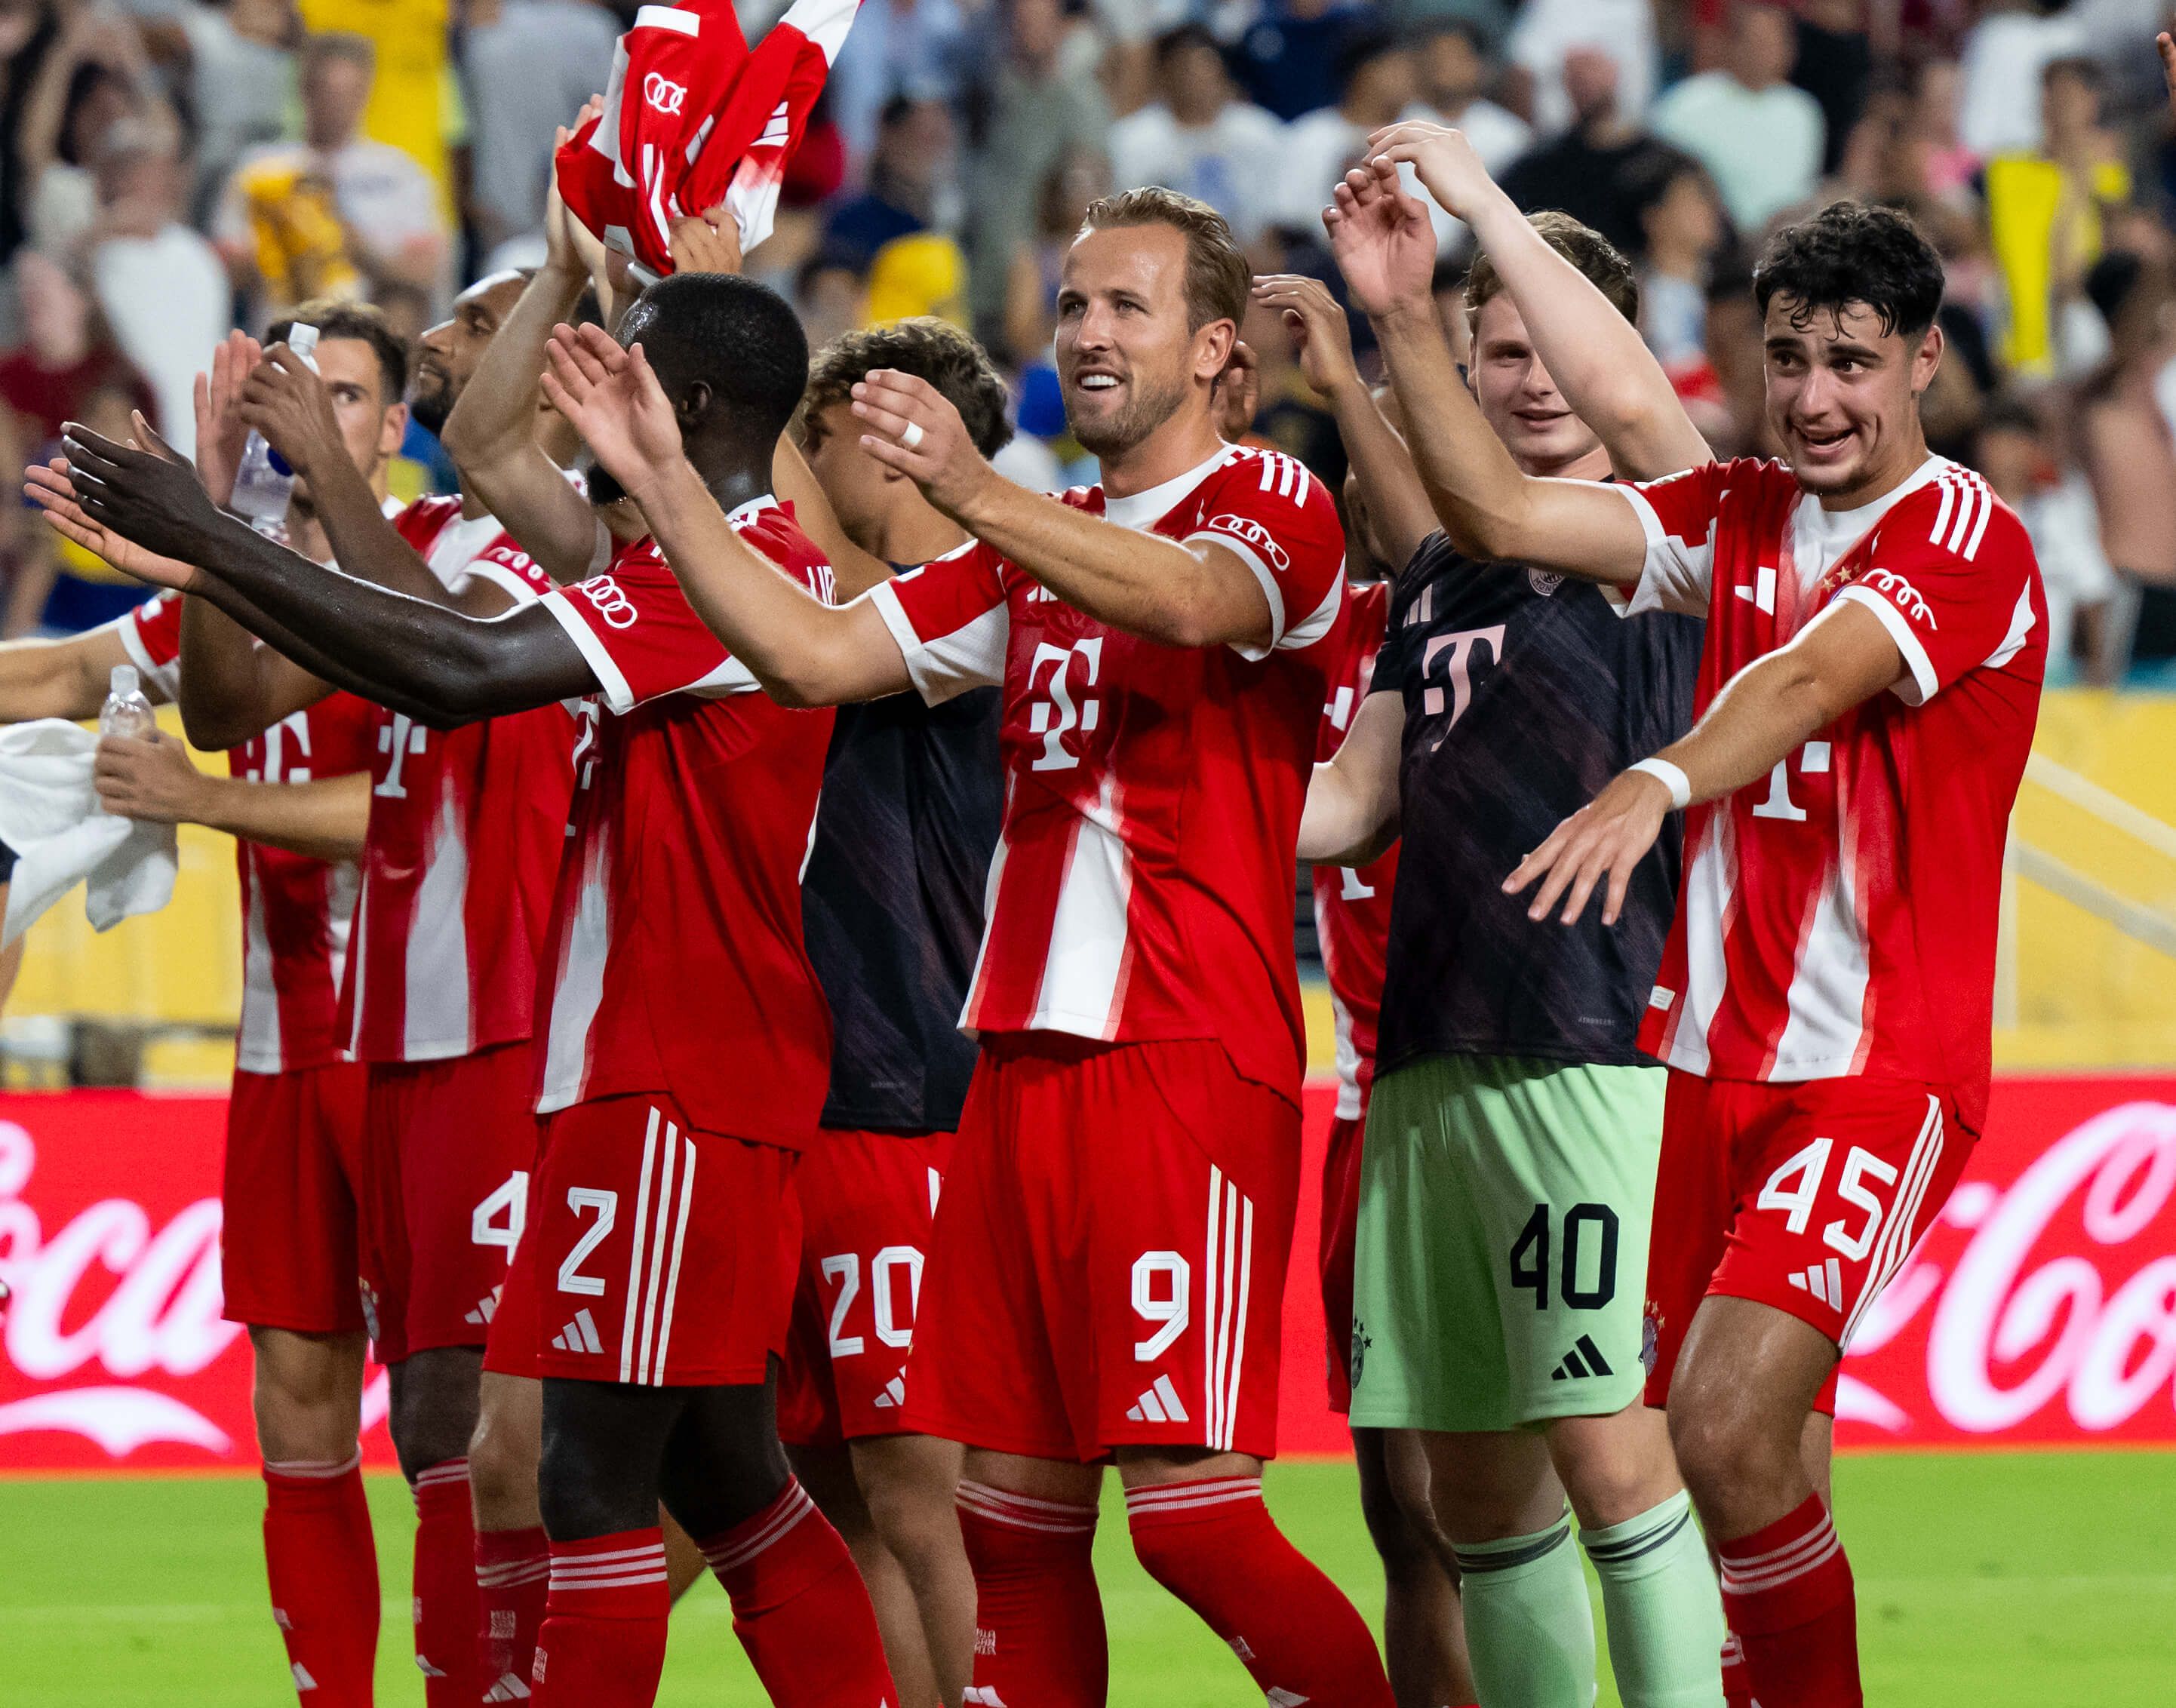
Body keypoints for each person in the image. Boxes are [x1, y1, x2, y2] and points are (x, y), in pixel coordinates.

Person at [538, 184, 1397, 1708]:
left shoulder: (1265, 502)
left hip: (1180, 1056)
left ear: (1213, 351)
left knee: (1193, 1526)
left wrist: (981, 491)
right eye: (1071, 304)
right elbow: (804, 656)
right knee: (1010, 1530)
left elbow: (1199, 608)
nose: (1087, 332)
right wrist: (668, 482)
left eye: (1125, 307)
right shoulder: (1026, 563)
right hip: (1010, 1076)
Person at [38, 267, 898, 1708]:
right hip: (637, 1078)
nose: (582, 388)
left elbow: (455, 666)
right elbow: (383, 648)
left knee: (582, 1474)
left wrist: (209, 536)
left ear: (682, 405)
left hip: (673, 1084)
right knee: (730, 1483)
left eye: (614, 368)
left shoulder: (719, 573)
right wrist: (216, 562)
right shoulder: (689, 566)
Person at [1335, 151, 2045, 1706]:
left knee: (1713, 1434)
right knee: (1748, 1472)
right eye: (1784, 358)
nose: (1812, 396)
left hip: (1869, 1069)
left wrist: (1652, 780)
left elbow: (1803, 680)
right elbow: (1500, 507)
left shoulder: (1963, 535)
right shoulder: (1726, 512)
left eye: (1850, 360)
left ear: (1922, 359)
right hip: (1696, 1083)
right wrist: (1415, 281)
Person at [1310, 125, 1726, 1708]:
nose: (1528, 377)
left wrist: (1416, 292)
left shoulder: (1673, 542)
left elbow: (1620, 426)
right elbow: (1351, 803)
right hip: (1426, 1052)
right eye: (1495, 348)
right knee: (1470, 1497)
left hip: (1590, 1041)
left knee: (1608, 1450)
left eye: (1543, 341)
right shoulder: (1433, 581)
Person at [772, 318, 1011, 1708]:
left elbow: (803, 561)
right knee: (849, 1490)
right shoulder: (864, 610)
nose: (798, 473)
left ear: (893, 449)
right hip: (832, 1095)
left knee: (930, 1494)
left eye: (819, 445)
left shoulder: (972, 595)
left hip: (915, 1091)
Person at [1252, 268, 1477, 1708]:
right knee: (1399, 1507)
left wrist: (1352, 374)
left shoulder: (1487, 605)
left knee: (1536, 1486)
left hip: (1515, 1072)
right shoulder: (1301, 637)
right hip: (1366, 1095)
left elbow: (1440, 544)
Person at [214, 31, 447, 318]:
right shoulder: (261, 169)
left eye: (351, 92)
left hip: (369, 327)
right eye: (329, 91)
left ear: (367, 92)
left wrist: (352, 245)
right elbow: (225, 269)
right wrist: (287, 239)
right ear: (305, 88)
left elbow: (424, 274)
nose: (339, 105)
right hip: (282, 325)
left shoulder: (398, 173)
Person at [1651, 2, 1825, 235]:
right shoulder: (1684, 106)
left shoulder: (1804, 111)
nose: (1768, 52)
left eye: (1776, 42)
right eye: (1758, 42)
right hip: (1712, 248)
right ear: (1731, 43)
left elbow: (1806, 191)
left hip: (1787, 245)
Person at [1108, 25, 1287, 244]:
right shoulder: (1134, 140)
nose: (1199, 78)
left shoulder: (1260, 132)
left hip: (1249, 258)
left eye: (1207, 66)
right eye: (1186, 68)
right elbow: (1124, 220)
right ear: (1164, 76)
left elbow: (1279, 216)